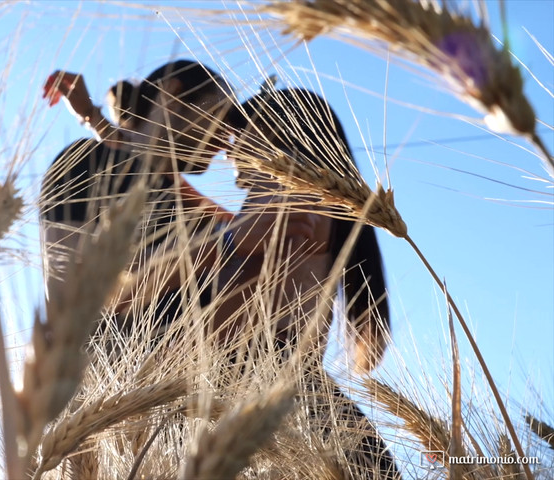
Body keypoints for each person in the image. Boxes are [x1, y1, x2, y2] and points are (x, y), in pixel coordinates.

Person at [215, 84, 400, 479]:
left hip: (250, 377)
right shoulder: (326, 198)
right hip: (300, 388)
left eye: (241, 133)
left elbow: (226, 302)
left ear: (275, 133)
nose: (228, 150)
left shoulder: (283, 189)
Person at [40, 60, 234, 334]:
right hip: (112, 367)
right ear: (171, 94)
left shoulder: (194, 212)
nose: (227, 142)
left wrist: (96, 120)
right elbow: (66, 304)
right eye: (221, 116)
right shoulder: (85, 163)